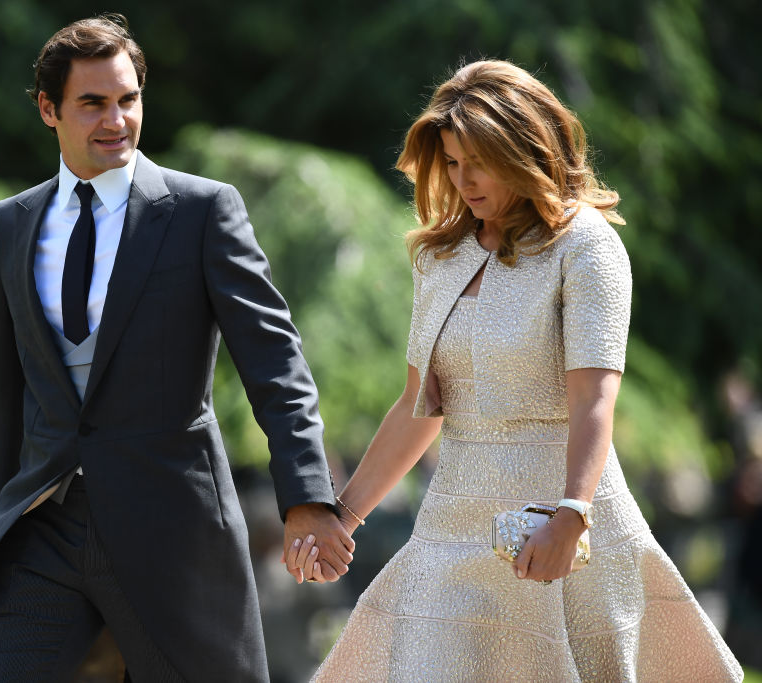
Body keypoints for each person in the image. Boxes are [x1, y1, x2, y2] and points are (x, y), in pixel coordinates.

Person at [294, 60, 743, 681]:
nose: (463, 178)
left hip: (559, 529)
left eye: (478, 160)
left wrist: (572, 515)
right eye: (451, 161)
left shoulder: (588, 246)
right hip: (450, 526)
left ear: (525, 149)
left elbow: (594, 398)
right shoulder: (440, 255)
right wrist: (343, 517)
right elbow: (418, 407)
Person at [0, 15, 354, 682]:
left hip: (172, 529)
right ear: (47, 109)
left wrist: (308, 497)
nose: (115, 119)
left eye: (128, 99)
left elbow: (274, 361)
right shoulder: (13, 222)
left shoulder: (203, 211)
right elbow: (9, 394)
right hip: (43, 532)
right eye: (93, 103)